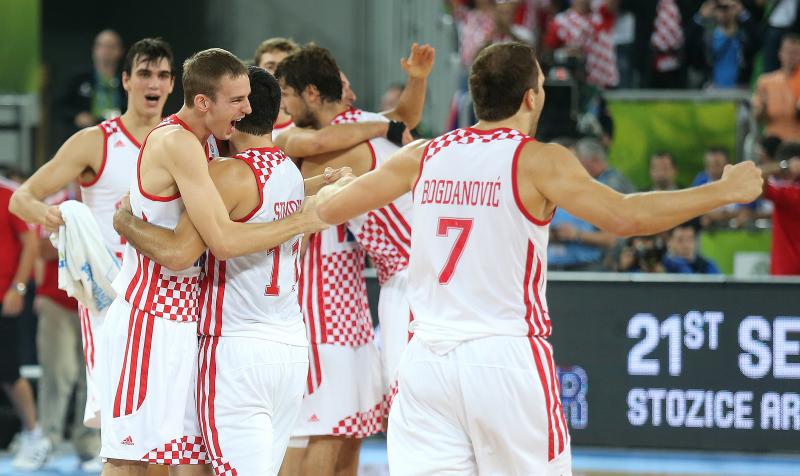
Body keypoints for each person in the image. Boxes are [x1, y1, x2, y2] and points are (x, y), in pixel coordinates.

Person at [313, 41, 762, 474]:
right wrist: (722, 190)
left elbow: (331, 208)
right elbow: (625, 216)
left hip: (426, 361)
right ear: (531, 97)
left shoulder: (425, 153)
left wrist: (330, 182)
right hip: (503, 356)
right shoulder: (537, 160)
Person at [95, 48, 322, 476]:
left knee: (190, 461)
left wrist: (308, 192)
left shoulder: (210, 141)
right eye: (237, 100)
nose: (248, 109)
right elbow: (193, 248)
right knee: (129, 461)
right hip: (150, 317)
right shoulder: (178, 142)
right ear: (204, 102)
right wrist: (303, 218)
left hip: (189, 322)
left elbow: (245, 202)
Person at [273, 43, 432, 476]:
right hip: (408, 282)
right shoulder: (363, 127)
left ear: (309, 94)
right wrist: (394, 115)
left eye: (284, 92)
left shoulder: (341, 142)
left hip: (411, 282)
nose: (280, 104)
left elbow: (298, 169)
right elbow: (401, 118)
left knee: (414, 419)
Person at [11, 40, 177, 453]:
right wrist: (47, 213)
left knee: (170, 432)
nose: (152, 83)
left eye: (161, 75)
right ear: (125, 80)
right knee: (123, 429)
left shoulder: (185, 143)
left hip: (172, 295)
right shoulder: (96, 142)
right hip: (111, 296)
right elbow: (22, 197)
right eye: (143, 73)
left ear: (172, 84)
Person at [0, 176, 51, 471]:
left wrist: (18, 289)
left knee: (8, 369)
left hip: (6, 296)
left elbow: (31, 244)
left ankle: (34, 434)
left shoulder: (9, 194)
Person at [58, 30, 125, 135]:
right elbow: (60, 105)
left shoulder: (127, 81)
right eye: (101, 46)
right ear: (94, 50)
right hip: (86, 135)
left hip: (119, 135)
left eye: (110, 46)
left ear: (119, 51)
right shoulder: (78, 79)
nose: (106, 51)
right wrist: (77, 116)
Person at [761, 141, 800, 275]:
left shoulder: (786, 193)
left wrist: (783, 165)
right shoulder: (786, 192)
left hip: (785, 272)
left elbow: (757, 174)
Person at [752, 34, 800, 141]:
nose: (792, 57)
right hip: (773, 141)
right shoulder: (766, 81)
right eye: (789, 52)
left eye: (796, 53)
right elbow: (755, 119)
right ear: (780, 54)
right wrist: (763, 106)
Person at [254, 37, 300, 138]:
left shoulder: (305, 123)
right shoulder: (240, 117)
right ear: (256, 69)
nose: (276, 73)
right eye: (270, 66)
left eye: (282, 66)